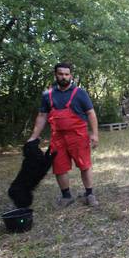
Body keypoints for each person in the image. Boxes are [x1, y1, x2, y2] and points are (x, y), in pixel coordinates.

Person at [28, 62, 99, 207]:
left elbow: (91, 113)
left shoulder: (80, 93)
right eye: (60, 74)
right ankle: (66, 196)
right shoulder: (48, 95)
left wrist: (94, 134)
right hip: (57, 138)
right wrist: (33, 137)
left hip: (78, 136)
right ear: (55, 75)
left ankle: (89, 194)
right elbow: (42, 116)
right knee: (59, 167)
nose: (64, 77)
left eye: (67, 74)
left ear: (71, 76)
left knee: (85, 165)